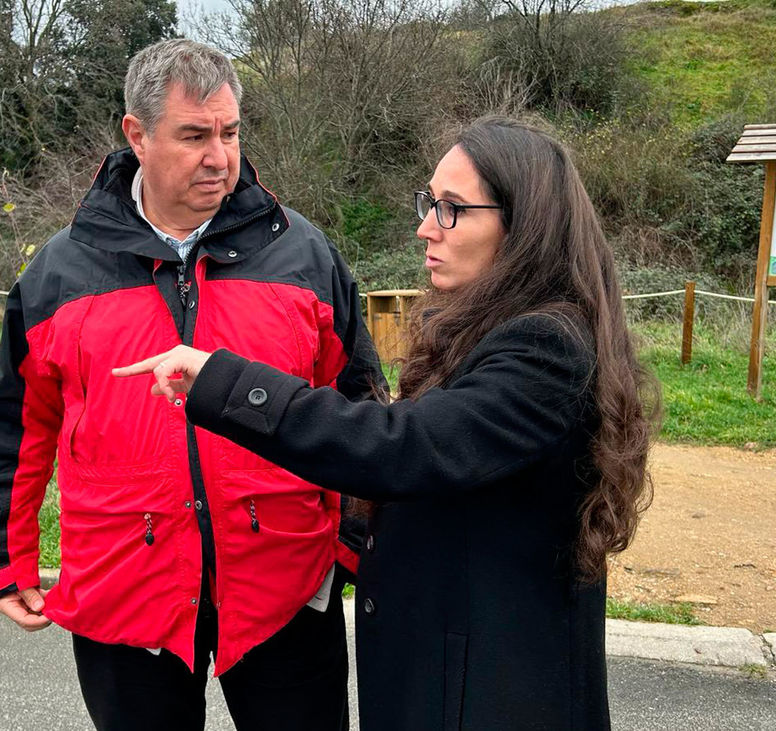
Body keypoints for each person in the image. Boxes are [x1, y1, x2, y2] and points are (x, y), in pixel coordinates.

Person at [115, 116, 660, 730]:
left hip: (489, 696)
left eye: (453, 208)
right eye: (429, 201)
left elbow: (407, 447)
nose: (426, 226)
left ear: (524, 226)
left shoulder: (545, 348)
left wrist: (224, 381)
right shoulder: (489, 330)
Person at [0, 38, 384, 731]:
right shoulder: (59, 274)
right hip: (125, 589)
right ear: (137, 135)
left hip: (285, 582)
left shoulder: (305, 255)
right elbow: (14, 420)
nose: (220, 156)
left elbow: (358, 403)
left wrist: (354, 541)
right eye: (194, 135)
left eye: (230, 131)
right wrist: (3, 560)